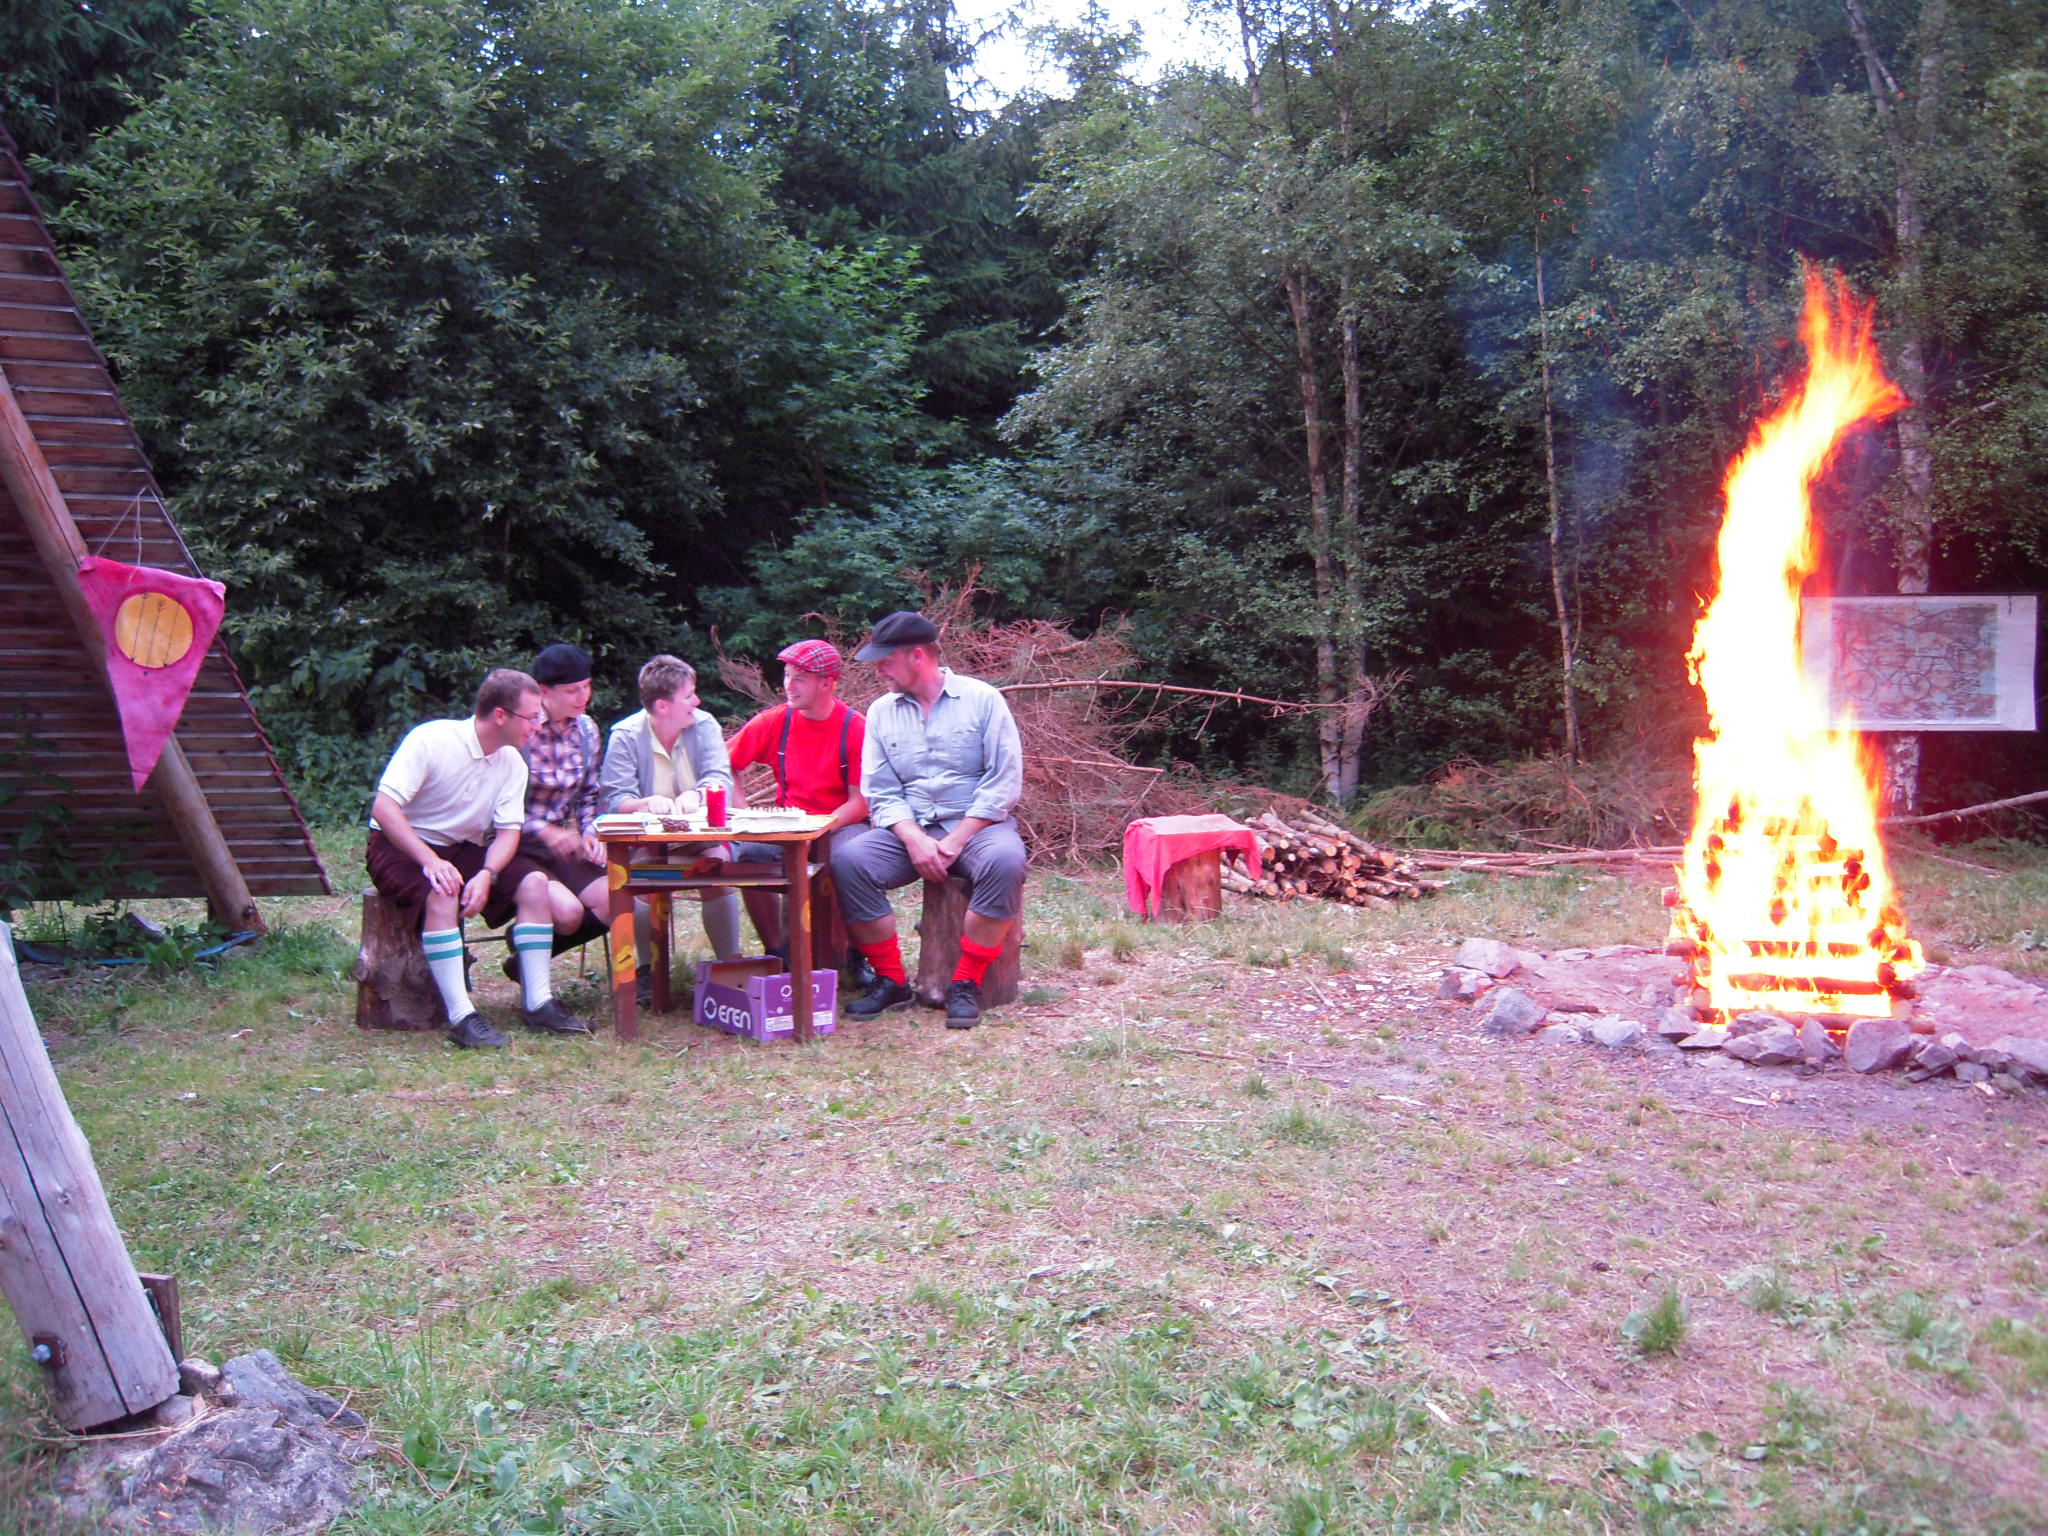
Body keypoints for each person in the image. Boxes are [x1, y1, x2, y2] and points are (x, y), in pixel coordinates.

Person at [366, 669, 594, 1048]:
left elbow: (508, 832)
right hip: (399, 845)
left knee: (535, 884)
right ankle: (462, 1018)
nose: (537, 726)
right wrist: (429, 861)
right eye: (531, 718)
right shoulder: (432, 739)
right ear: (500, 715)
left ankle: (538, 1004)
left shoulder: (512, 762)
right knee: (443, 891)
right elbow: (384, 808)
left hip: (463, 848)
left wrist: (488, 872)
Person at [830, 611, 1025, 1028]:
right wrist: (914, 838)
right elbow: (881, 790)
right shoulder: (881, 712)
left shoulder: (983, 699)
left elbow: (1004, 781)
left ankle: (966, 983)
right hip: (909, 827)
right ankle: (891, 980)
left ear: (917, 656)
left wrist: (957, 838)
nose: (878, 670)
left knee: (1006, 862)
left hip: (977, 826)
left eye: (886, 661)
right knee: (850, 860)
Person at [724, 639, 870, 964]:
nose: (789, 685)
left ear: (827, 684)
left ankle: (856, 955)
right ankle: (777, 953)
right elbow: (723, 763)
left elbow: (860, 802)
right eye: (787, 676)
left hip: (841, 823)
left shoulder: (855, 728)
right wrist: (742, 812)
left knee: (850, 860)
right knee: (749, 855)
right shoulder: (776, 721)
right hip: (790, 824)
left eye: (800, 679)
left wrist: (817, 830)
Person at [597, 655, 744, 971]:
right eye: (688, 695)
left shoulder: (705, 725)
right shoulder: (625, 735)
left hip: (702, 840)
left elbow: (720, 779)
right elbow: (614, 799)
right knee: (640, 878)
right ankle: (648, 971)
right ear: (663, 706)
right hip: (647, 843)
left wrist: (698, 794)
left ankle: (730, 967)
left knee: (716, 867)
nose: (697, 701)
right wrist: (644, 804)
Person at [515, 643, 610, 935]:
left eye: (586, 686)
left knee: (616, 897)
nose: (584, 696)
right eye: (572, 690)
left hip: (562, 845)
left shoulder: (586, 730)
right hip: (515, 845)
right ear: (544, 691)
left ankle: (523, 952)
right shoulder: (522, 730)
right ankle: (530, 945)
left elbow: (589, 793)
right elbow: (495, 808)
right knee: (568, 913)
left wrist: (590, 832)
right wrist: (545, 830)